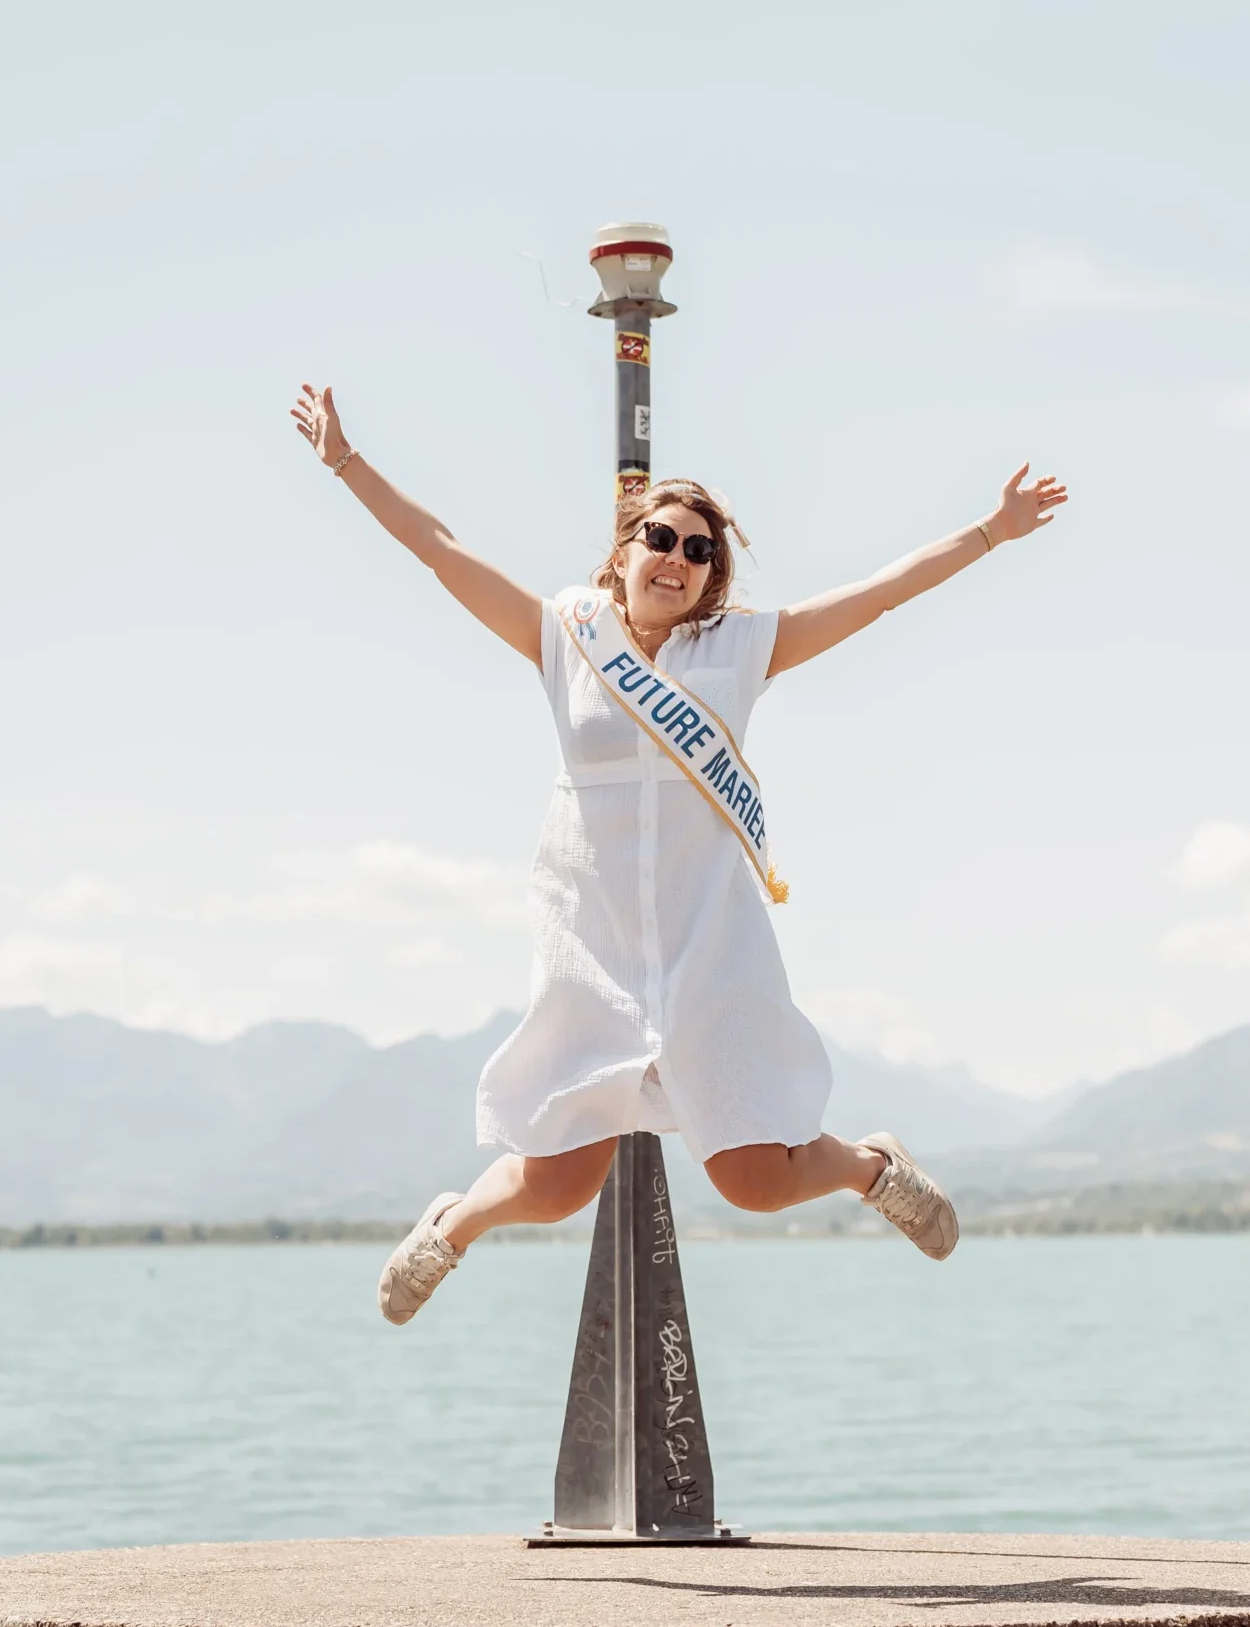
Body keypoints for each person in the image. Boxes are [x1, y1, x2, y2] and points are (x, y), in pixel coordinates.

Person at [289, 383, 1068, 1325]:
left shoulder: (738, 651)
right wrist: (345, 461)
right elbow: (439, 548)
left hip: (708, 948)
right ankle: (449, 1228)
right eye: (660, 537)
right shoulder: (563, 635)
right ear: (623, 553)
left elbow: (879, 594)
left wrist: (989, 532)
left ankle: (871, 1167)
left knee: (754, 1180)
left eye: (700, 550)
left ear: (711, 577)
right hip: (598, 946)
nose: (679, 557)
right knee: (557, 1181)